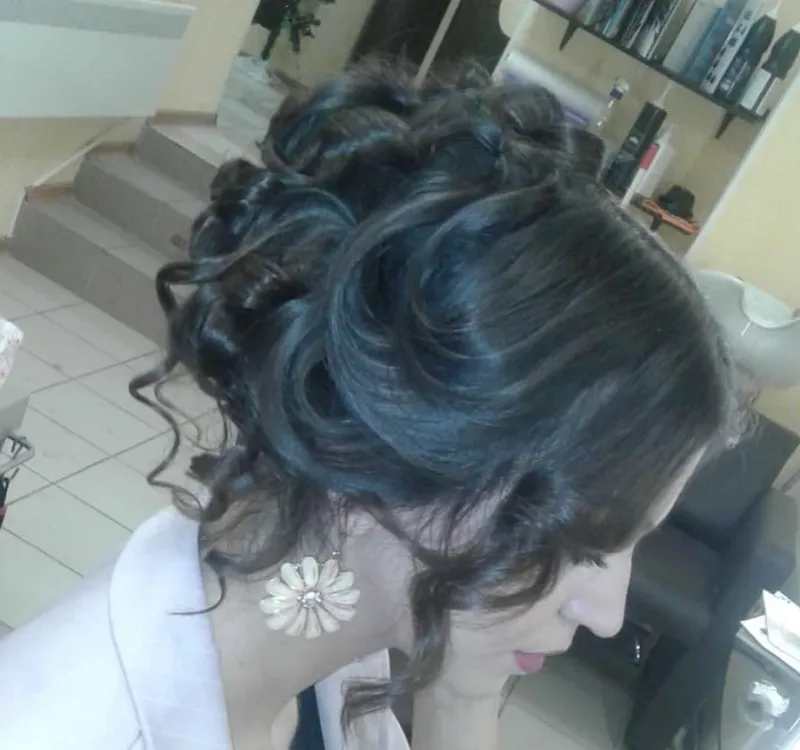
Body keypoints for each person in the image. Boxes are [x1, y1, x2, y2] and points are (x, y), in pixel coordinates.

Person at [0, 61, 742, 750]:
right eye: (587, 545)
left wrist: (463, 693)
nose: (607, 615)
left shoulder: (333, 641)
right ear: (390, 455)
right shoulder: (70, 725)